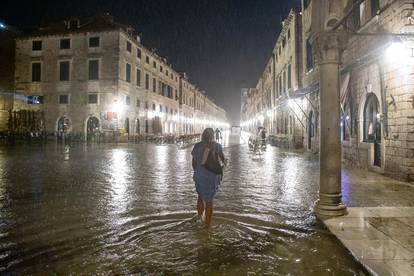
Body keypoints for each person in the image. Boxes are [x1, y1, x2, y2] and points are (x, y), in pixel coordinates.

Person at [192, 128, 225, 227]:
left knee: (200, 196)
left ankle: (199, 217)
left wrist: (198, 172)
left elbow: (193, 163)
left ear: (203, 135)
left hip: (199, 175)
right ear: (213, 135)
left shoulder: (197, 146)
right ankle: (207, 225)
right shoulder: (217, 146)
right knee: (209, 200)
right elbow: (223, 161)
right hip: (212, 177)